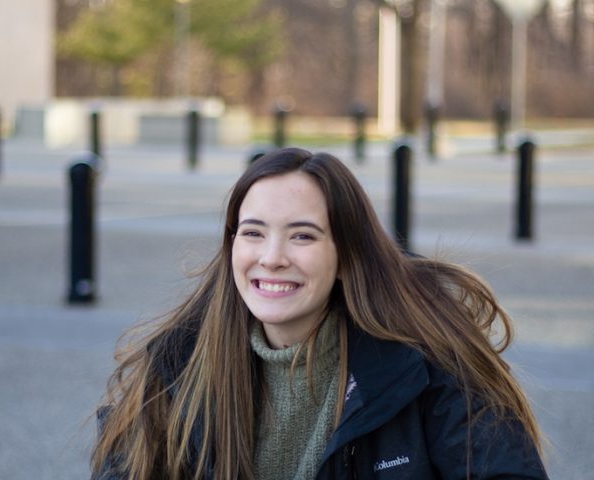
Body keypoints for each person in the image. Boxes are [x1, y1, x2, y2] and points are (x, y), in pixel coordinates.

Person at [91, 147, 548, 479]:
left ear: (348, 257)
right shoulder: (176, 368)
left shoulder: (429, 369)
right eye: (252, 233)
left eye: (303, 236)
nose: (271, 257)